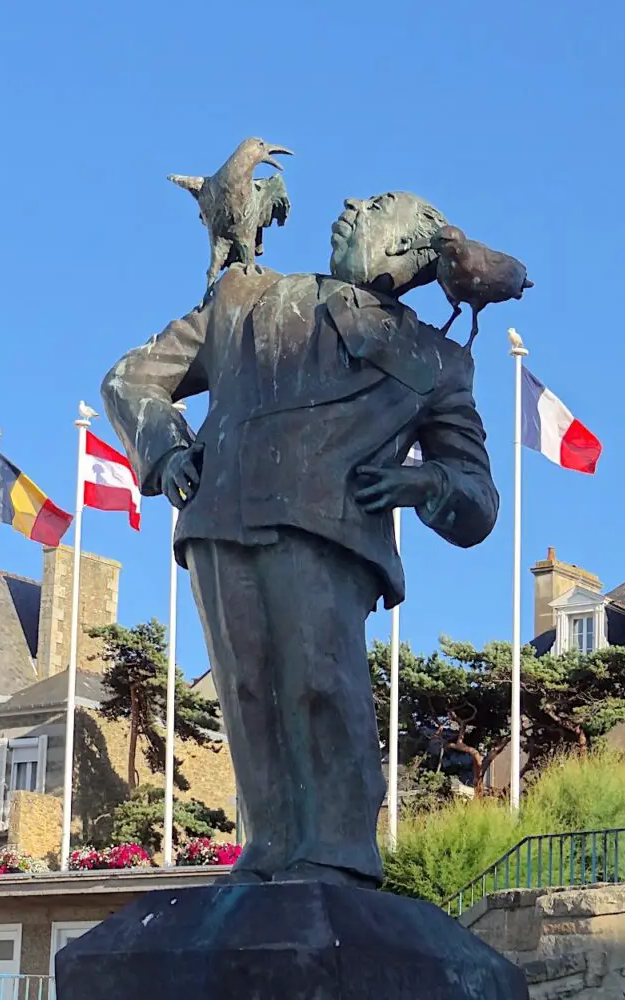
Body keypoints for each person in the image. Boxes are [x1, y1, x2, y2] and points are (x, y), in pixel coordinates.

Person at [101, 191, 499, 888]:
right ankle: (269, 856)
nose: (349, 204)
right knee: (247, 692)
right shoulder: (245, 299)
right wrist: (166, 454)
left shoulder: (437, 362)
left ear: (410, 248)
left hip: (329, 531)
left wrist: (422, 483)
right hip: (220, 521)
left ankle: (339, 862)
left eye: (376, 205)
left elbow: (477, 501)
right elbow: (132, 380)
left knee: (320, 685)